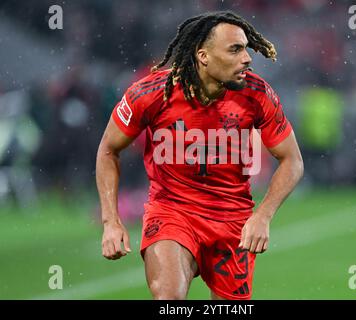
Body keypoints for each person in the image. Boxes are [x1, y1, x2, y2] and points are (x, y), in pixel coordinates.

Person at [96, 11, 304, 300]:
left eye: (245, 48)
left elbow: (292, 160)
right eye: (235, 49)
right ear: (203, 56)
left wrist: (263, 216)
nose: (247, 58)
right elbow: (108, 150)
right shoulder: (151, 93)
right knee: (169, 299)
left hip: (233, 221)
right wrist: (111, 222)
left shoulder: (258, 94)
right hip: (172, 212)